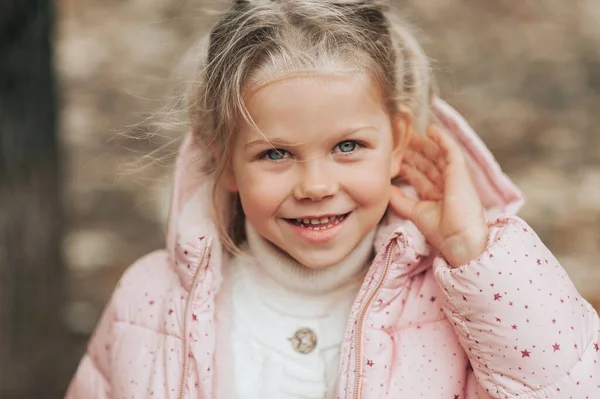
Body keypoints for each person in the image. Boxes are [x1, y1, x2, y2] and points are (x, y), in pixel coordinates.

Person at [66, 1, 600, 398]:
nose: (316, 186)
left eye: (348, 146)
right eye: (276, 154)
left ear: (398, 141)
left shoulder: (463, 298)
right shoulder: (150, 299)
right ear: (222, 159)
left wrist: (470, 247)